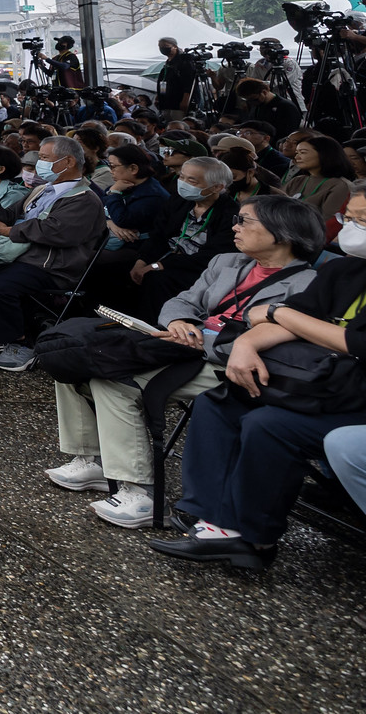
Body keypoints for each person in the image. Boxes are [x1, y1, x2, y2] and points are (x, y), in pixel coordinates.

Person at [45, 194, 322, 529]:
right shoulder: (228, 262)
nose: (235, 226)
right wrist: (179, 323)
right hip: (182, 346)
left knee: (115, 382)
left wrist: (196, 337)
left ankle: (142, 493)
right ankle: (93, 458)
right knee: (73, 361)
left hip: (230, 363)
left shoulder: (308, 285)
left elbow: (282, 338)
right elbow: (183, 300)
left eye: (245, 221)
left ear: (282, 233)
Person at [150, 188, 366, 570]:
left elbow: (351, 341)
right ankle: (211, 518)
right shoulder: (344, 269)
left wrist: (281, 315)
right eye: (348, 218)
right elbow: (271, 318)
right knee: (220, 401)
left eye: (361, 221)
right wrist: (247, 344)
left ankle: (254, 538)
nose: (348, 229)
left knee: (269, 424)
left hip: (353, 397)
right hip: (324, 381)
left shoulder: (323, 271)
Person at [0, 135, 108, 372]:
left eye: (44, 158)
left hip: (51, 265)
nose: (39, 163)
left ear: (68, 162)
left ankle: (22, 343)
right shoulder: (42, 189)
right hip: (21, 254)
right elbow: (8, 214)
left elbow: (56, 232)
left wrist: (11, 231)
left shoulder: (84, 198)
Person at [282, 132, 354, 222]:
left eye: (303, 152)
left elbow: (329, 222)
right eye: (297, 153)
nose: (297, 157)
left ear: (324, 154)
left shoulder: (340, 185)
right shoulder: (297, 180)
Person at [155, 37, 200, 118]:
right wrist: (159, 96)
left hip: (179, 100)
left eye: (165, 46)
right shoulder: (168, 63)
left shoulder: (184, 62)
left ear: (175, 46)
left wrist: (185, 100)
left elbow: (189, 83)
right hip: (167, 101)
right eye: (160, 46)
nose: (162, 48)